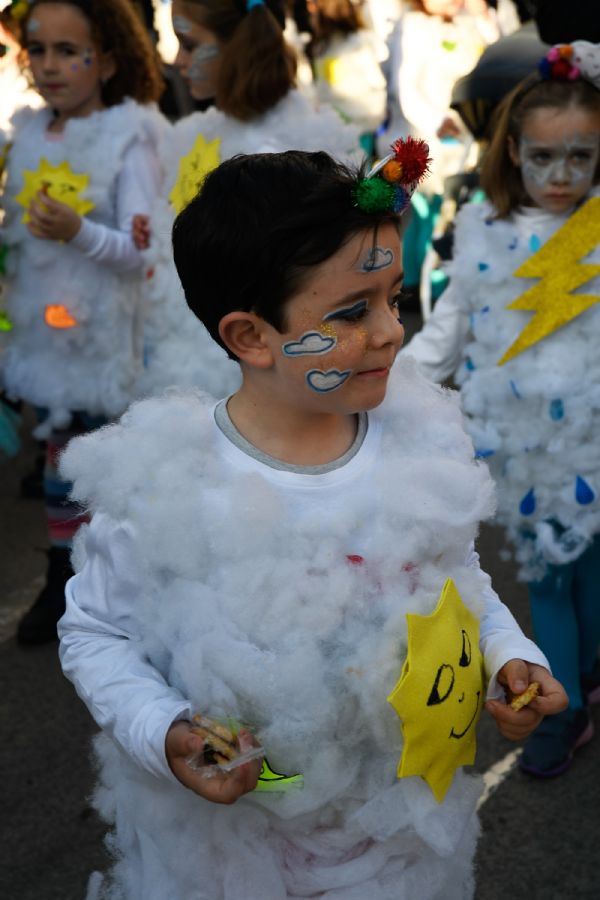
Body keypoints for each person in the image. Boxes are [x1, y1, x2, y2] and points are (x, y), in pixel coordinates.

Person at [58, 145, 566, 899]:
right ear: (251, 336)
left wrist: (506, 652)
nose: (392, 330)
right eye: (352, 312)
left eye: (394, 297)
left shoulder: (416, 436)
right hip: (232, 856)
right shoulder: (167, 486)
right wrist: (162, 730)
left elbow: (456, 576)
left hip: (393, 843)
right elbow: (95, 634)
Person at [404, 42, 600, 777]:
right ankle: (567, 707)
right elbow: (448, 330)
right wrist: (386, 390)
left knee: (590, 578)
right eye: (544, 156)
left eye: (581, 158)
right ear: (512, 149)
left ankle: (581, 671)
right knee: (549, 581)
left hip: (596, 446)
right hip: (523, 451)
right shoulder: (485, 228)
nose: (561, 176)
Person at [0, 0, 165, 643]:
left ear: (109, 60)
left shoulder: (130, 136)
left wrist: (78, 233)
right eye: (38, 51)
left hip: (107, 346)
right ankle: (62, 580)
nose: (50, 66)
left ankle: (124, 592)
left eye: (70, 52)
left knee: (111, 476)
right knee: (59, 468)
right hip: (46, 341)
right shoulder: (30, 132)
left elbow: (139, 250)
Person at [134, 0, 362, 402]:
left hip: (245, 355)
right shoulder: (198, 131)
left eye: (190, 45)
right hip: (185, 333)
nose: (177, 60)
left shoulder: (283, 149)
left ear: (239, 44)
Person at [380, 0, 500, 294]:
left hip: (464, 140)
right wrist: (436, 121)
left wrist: (482, 16)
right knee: (423, 212)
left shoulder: (469, 24)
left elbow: (497, 59)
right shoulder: (414, 26)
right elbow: (405, 87)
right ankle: (410, 284)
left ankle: (435, 284)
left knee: (448, 213)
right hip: (426, 138)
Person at [307, 0, 387, 157]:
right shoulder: (321, 46)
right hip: (332, 130)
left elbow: (377, 84)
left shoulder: (359, 42)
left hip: (360, 127)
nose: (310, 9)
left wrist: (369, 118)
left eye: (314, 3)